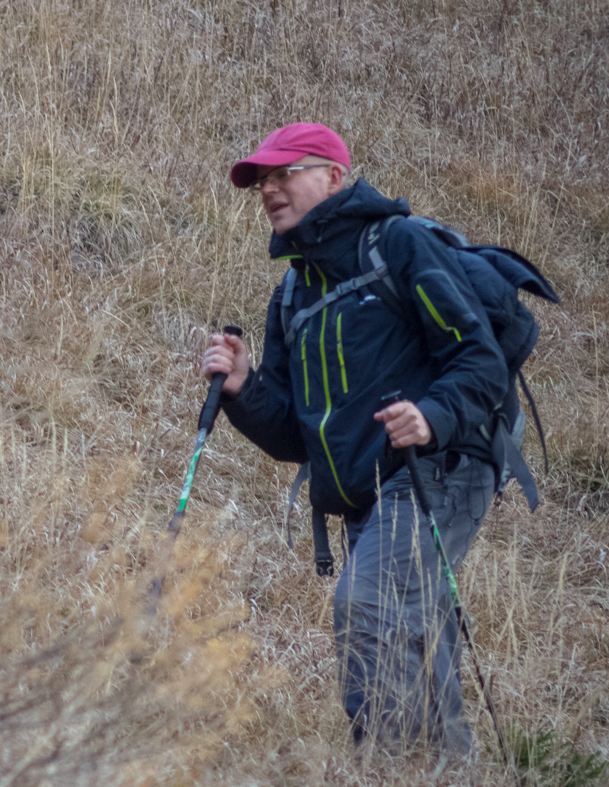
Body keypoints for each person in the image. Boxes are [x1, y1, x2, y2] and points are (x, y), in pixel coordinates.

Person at [202, 123, 507, 757]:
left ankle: (384, 768)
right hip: (370, 492)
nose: (269, 189)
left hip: (441, 466)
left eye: (285, 173)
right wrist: (242, 387)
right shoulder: (291, 294)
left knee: (368, 601)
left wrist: (431, 415)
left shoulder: (397, 243)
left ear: (334, 177)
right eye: (263, 180)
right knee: (415, 630)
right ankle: (446, 768)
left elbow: (480, 360)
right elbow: (295, 435)